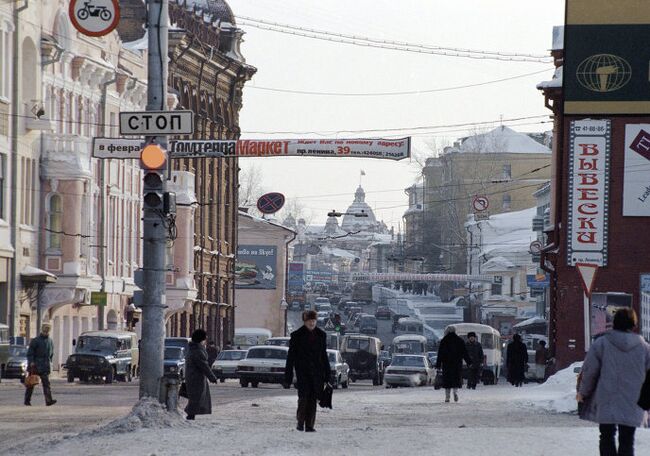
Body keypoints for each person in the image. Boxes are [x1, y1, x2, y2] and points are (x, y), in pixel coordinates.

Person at [577, 308, 650, 456]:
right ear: (633, 324)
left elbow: (590, 372)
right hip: (634, 400)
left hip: (607, 398)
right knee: (627, 440)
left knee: (606, 436)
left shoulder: (601, 344)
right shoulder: (644, 348)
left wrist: (583, 392)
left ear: (614, 323)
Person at [284, 310, 331, 432]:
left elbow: (324, 356)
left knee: (313, 399)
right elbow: (291, 358)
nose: (312, 323)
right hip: (303, 373)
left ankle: (310, 425)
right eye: (309, 321)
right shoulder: (296, 335)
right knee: (303, 398)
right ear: (305, 322)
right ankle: (300, 422)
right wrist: (287, 378)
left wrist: (328, 374)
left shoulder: (321, 335)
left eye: (314, 321)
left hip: (317, 374)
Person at [184, 329, 218, 420]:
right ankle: (190, 415)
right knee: (196, 398)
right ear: (201, 339)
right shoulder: (197, 351)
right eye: (205, 338)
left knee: (196, 397)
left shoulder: (193, 348)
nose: (206, 340)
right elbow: (204, 366)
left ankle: (191, 415)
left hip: (193, 377)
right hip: (196, 378)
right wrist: (212, 377)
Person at [435, 325, 472, 403]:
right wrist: (469, 362)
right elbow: (465, 353)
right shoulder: (460, 340)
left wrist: (438, 365)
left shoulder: (444, 341)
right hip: (457, 364)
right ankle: (455, 392)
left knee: (447, 381)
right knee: (456, 380)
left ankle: (447, 397)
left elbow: (440, 354)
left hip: (446, 364)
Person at [25, 322, 56, 406]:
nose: (47, 331)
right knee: (31, 383)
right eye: (45, 329)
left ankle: (48, 400)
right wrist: (31, 362)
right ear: (42, 329)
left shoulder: (50, 341)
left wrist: (50, 363)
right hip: (35, 366)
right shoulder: (35, 341)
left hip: (45, 366)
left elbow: (51, 353)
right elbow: (30, 353)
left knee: (46, 384)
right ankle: (27, 400)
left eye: (48, 330)